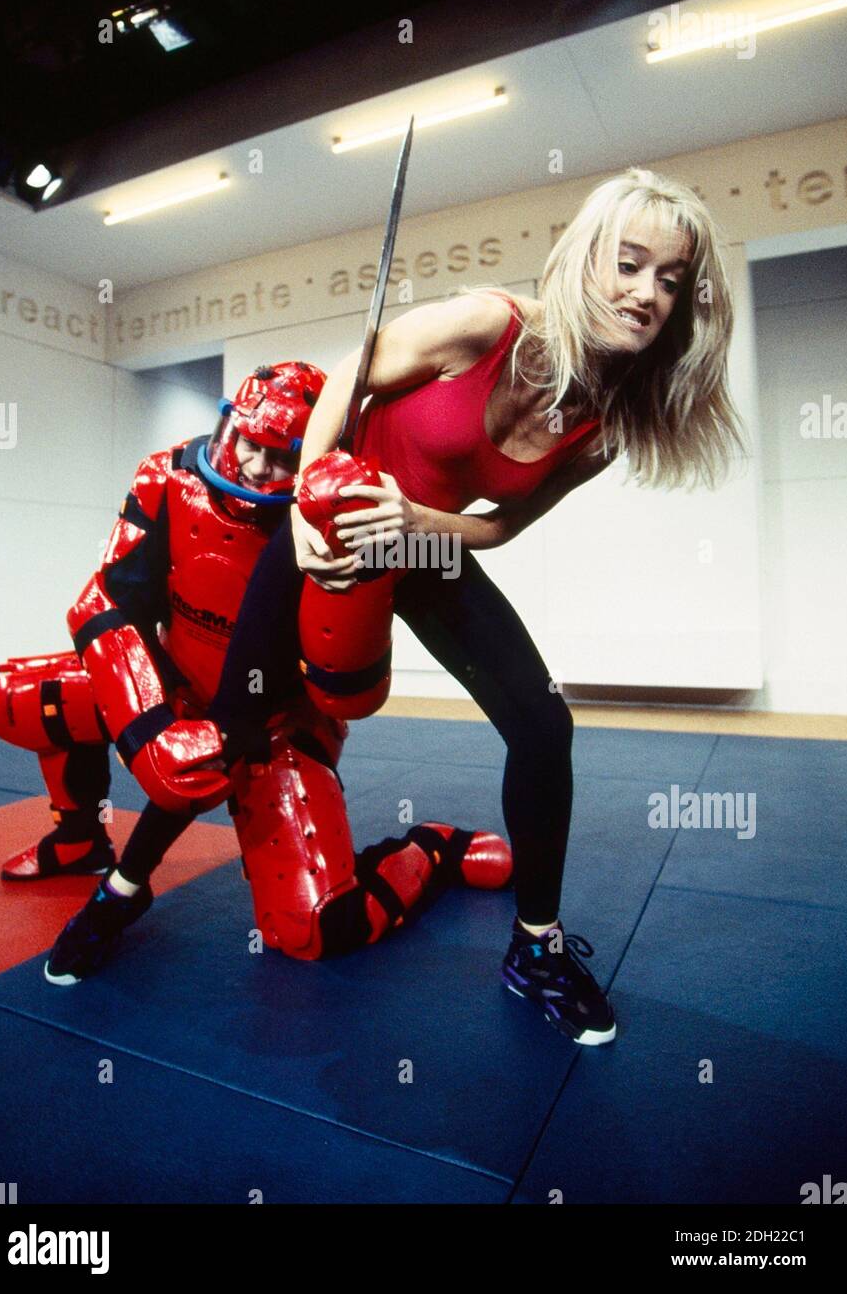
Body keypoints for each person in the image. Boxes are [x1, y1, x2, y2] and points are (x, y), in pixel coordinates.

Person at [208, 167, 748, 1046]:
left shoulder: (601, 427)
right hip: (332, 525)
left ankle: (536, 948)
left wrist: (422, 523)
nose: (647, 292)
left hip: (421, 546)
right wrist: (309, 493)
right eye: (631, 262)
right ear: (586, 259)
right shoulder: (490, 324)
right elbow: (353, 372)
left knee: (543, 725)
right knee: (233, 726)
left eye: (671, 280)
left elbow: (500, 528)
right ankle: (121, 884)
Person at [0, 362, 511, 984]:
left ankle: (431, 848)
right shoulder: (168, 478)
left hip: (276, 729)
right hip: (175, 691)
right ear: (227, 425)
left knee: (319, 927)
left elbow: (349, 679)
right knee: (18, 699)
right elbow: (105, 601)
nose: (259, 468)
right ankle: (78, 838)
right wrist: (150, 727)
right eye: (249, 444)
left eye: (282, 456)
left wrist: (373, 558)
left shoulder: (338, 524)